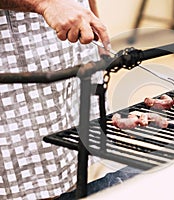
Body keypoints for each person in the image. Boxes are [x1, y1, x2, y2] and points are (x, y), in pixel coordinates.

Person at [0, 0, 115, 199]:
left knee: (73, 168)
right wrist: (44, 3)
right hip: (17, 64)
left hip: (75, 46)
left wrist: (94, 19)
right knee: (29, 185)